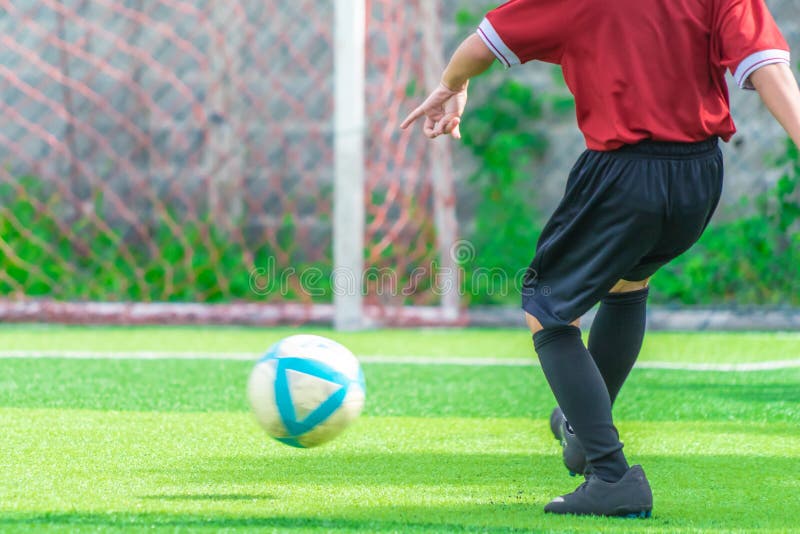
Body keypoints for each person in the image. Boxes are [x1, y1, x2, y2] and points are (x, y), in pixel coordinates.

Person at [401, 0, 800, 518]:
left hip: (625, 174)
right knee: (627, 282)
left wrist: (453, 85)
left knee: (546, 306)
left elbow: (481, 43)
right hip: (700, 176)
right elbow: (769, 68)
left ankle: (610, 475)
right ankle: (581, 433)